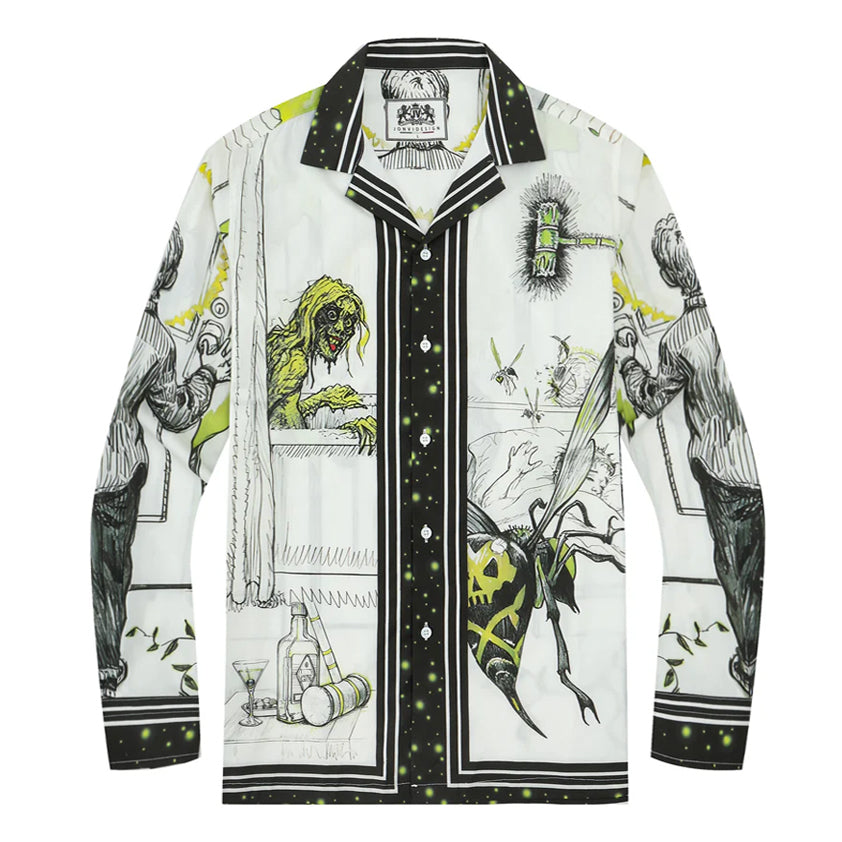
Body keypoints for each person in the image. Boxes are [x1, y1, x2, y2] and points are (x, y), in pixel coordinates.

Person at [615, 213, 764, 695]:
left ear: (668, 274)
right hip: (756, 469)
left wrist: (628, 360)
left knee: (736, 573)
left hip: (723, 476)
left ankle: (749, 662)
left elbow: (651, 400)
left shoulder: (680, 338)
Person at [91, 222, 230, 697]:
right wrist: (207, 374)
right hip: (117, 473)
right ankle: (107, 670)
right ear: (168, 274)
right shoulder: (155, 341)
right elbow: (176, 412)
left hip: (111, 473)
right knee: (109, 576)